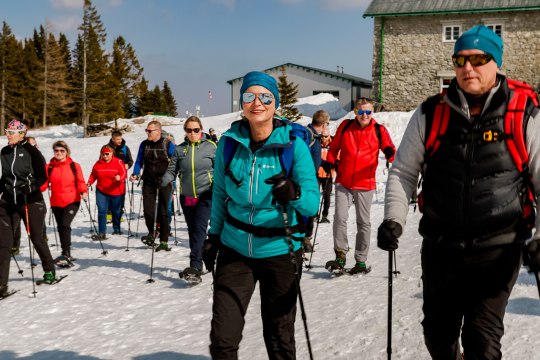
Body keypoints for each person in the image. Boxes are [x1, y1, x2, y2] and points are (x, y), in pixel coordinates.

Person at [377, 25, 540, 359]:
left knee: (482, 340)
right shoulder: (431, 113)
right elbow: (403, 173)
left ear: (496, 62)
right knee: (438, 335)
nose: (468, 68)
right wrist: (394, 218)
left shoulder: (522, 114)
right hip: (441, 247)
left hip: (499, 246)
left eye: (478, 59)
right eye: (460, 60)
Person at [202, 71, 319, 359]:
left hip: (280, 251)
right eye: (249, 96)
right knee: (222, 340)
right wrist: (213, 237)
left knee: (279, 337)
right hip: (235, 248)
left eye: (265, 97)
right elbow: (219, 195)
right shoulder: (228, 145)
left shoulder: (294, 146)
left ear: (275, 103)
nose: (257, 103)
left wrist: (294, 193)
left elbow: (312, 205)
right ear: (242, 103)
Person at [322, 98, 396, 274]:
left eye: (368, 112)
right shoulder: (346, 127)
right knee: (340, 217)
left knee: (363, 222)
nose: (365, 115)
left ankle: (361, 261)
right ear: (356, 112)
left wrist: (390, 153)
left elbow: (390, 149)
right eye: (361, 112)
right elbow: (333, 148)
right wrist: (329, 162)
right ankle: (340, 255)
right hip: (344, 181)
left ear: (372, 113)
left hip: (365, 183)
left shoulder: (379, 130)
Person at [0, 119, 56, 288]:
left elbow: (42, 176)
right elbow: (5, 178)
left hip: (30, 201)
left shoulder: (32, 151)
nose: (7, 135)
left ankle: (49, 270)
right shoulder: (4, 152)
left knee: (37, 238)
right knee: (3, 244)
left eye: (10, 132)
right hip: (9, 201)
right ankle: (1, 285)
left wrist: (30, 187)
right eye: (6, 131)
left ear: (21, 134)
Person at [162, 116, 216, 274]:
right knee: (193, 231)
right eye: (189, 130)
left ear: (201, 130)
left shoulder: (211, 147)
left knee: (199, 229)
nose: (193, 133)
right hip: (187, 197)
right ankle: (203, 253)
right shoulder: (179, 149)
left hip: (206, 194)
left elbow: (220, 169)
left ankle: (195, 266)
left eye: (196, 130)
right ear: (185, 131)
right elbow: (172, 170)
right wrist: (164, 180)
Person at [41, 141, 88, 264]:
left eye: (62, 151)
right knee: (61, 227)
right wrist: (32, 190)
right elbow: (44, 184)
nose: (59, 153)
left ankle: (66, 253)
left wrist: (83, 191)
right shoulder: (49, 167)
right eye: (56, 150)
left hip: (72, 200)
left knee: (65, 224)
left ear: (66, 152)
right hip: (56, 202)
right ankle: (65, 252)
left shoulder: (74, 166)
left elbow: (81, 181)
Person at [130, 121, 175, 250]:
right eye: (146, 130)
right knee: (148, 211)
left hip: (164, 181)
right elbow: (139, 161)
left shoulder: (168, 144)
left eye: (150, 131)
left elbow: (174, 162)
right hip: (148, 180)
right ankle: (152, 233)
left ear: (158, 132)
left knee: (163, 211)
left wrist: (171, 176)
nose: (147, 133)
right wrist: (135, 173)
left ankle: (164, 241)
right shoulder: (144, 145)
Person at [302, 110, 328, 252]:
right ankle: (304, 238)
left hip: (311, 176)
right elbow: (302, 155)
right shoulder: (309, 136)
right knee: (308, 208)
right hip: (306, 179)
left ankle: (305, 238)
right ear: (324, 124)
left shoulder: (313, 136)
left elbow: (312, 157)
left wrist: (324, 163)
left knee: (310, 208)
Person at [87, 145, 127, 237]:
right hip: (101, 190)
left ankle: (116, 228)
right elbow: (93, 175)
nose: (105, 156)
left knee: (116, 211)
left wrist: (119, 178)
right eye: (103, 154)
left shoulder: (118, 162)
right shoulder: (98, 163)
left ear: (112, 153)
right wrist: (89, 183)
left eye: (107, 154)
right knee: (102, 211)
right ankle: (102, 232)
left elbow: (124, 173)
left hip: (116, 191)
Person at [317, 129, 334, 224]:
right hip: (317, 173)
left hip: (328, 173)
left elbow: (337, 157)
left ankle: (325, 215)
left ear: (329, 136)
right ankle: (314, 215)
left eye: (326, 136)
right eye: (322, 136)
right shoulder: (316, 144)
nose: (323, 138)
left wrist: (333, 165)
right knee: (315, 194)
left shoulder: (333, 145)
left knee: (326, 195)